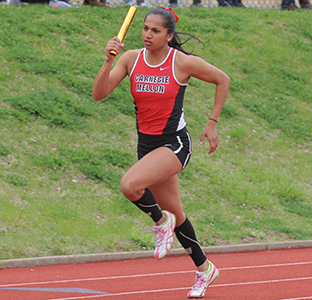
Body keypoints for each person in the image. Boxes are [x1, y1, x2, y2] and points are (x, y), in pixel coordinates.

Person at [92, 6, 230, 298]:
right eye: (144, 28)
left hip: (175, 144)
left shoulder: (181, 62)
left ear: (169, 35)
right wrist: (107, 61)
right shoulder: (131, 58)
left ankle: (159, 221)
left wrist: (212, 123)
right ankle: (205, 269)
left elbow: (223, 79)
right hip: (147, 145)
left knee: (130, 185)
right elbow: (99, 93)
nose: (147, 35)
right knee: (176, 214)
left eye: (155, 31)